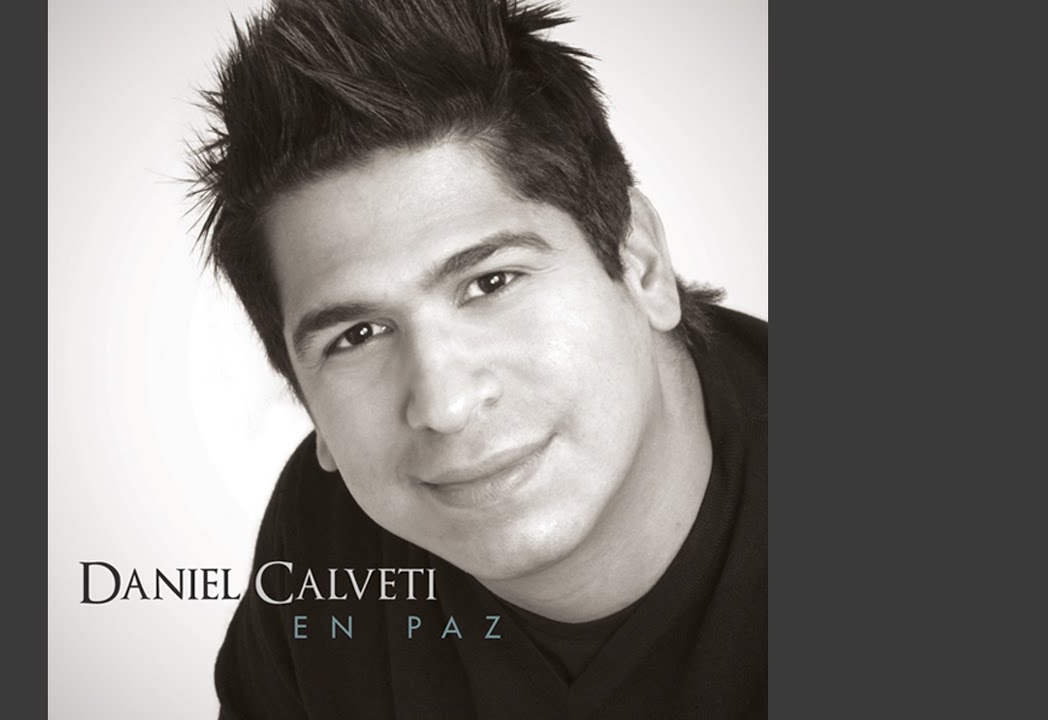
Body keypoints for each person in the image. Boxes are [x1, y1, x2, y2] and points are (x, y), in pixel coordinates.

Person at [188, 0, 766, 717]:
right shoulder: (327, 543)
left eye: (491, 283)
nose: (444, 405)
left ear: (640, 263)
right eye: (358, 335)